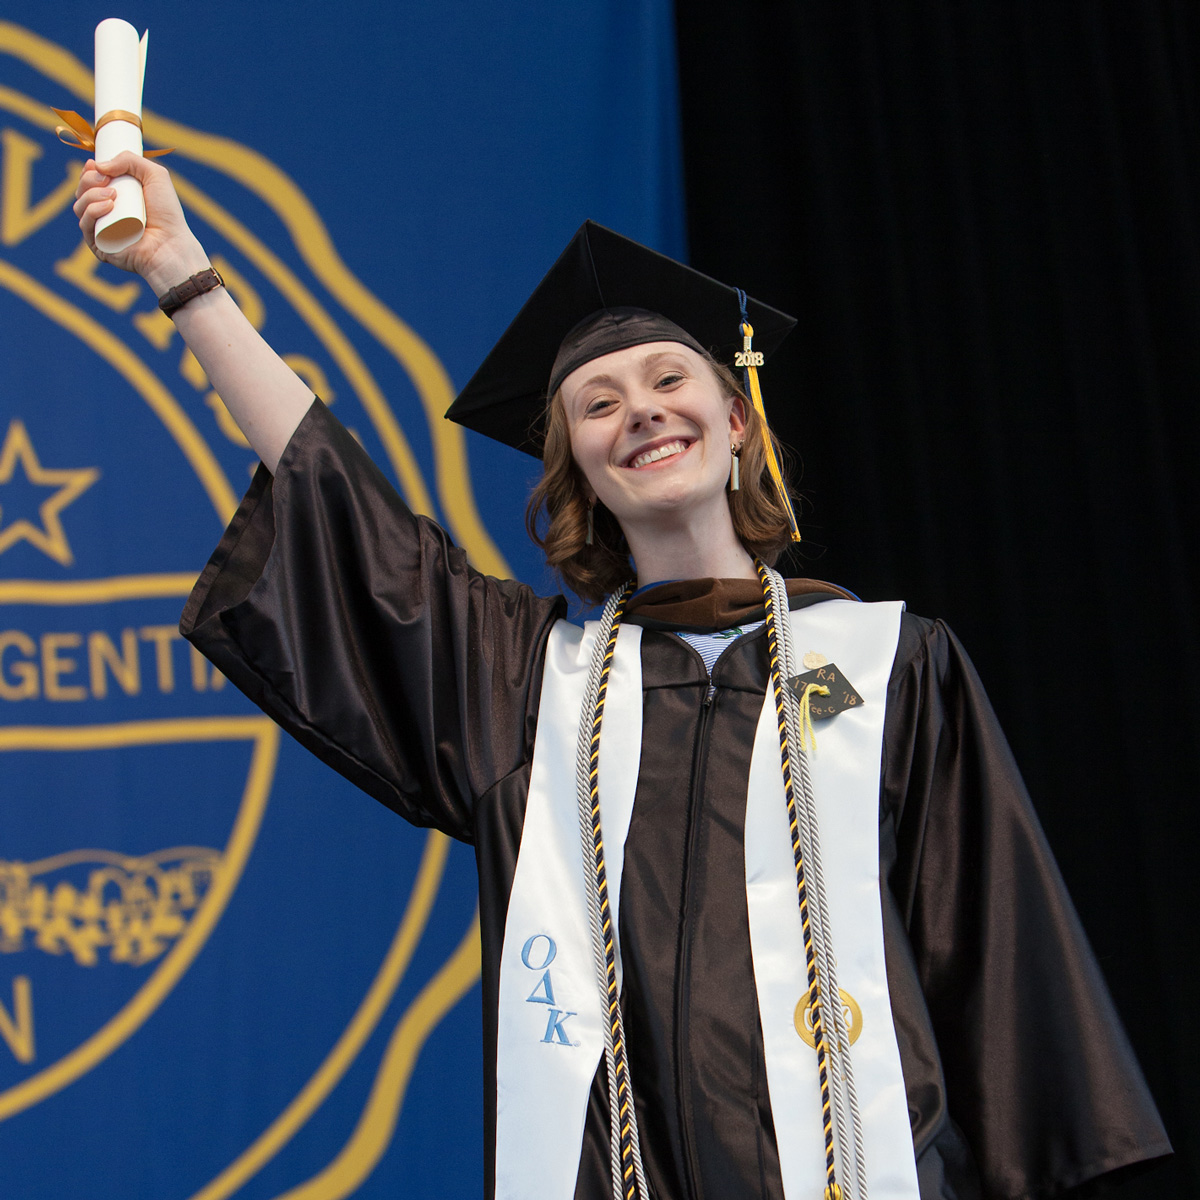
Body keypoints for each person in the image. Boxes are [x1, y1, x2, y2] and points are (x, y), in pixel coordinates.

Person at [74, 153, 1169, 1200]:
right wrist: (184, 274)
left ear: (736, 420)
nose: (639, 409)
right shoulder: (527, 684)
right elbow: (337, 502)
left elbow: (993, 954)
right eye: (597, 404)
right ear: (580, 472)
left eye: (666, 379)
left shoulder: (891, 666)